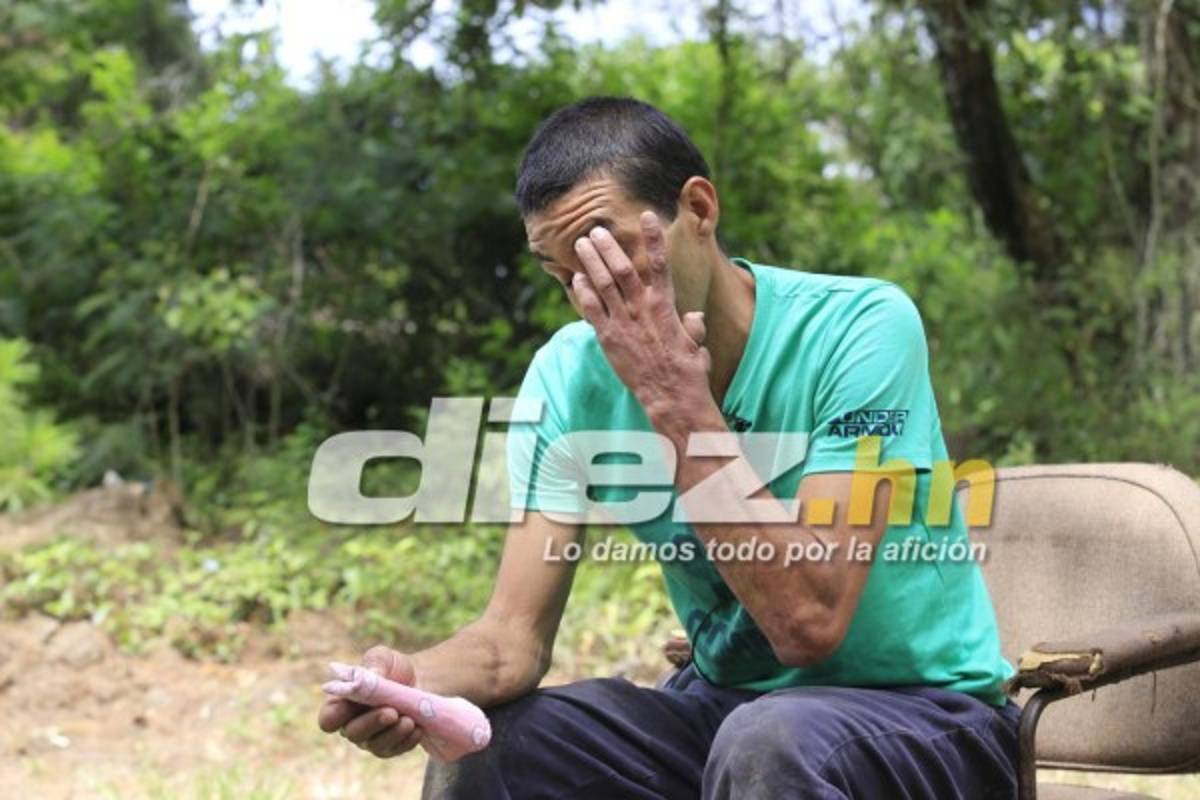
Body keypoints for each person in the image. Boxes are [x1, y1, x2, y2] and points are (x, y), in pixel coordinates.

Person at [318, 96, 1021, 799]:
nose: (590, 298)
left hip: (928, 718)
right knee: (500, 746)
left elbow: (810, 623)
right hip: (729, 715)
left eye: (606, 251)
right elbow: (511, 640)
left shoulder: (861, 329)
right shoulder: (569, 375)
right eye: (562, 275)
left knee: (771, 740)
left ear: (699, 211)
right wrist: (410, 681)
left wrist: (674, 397)